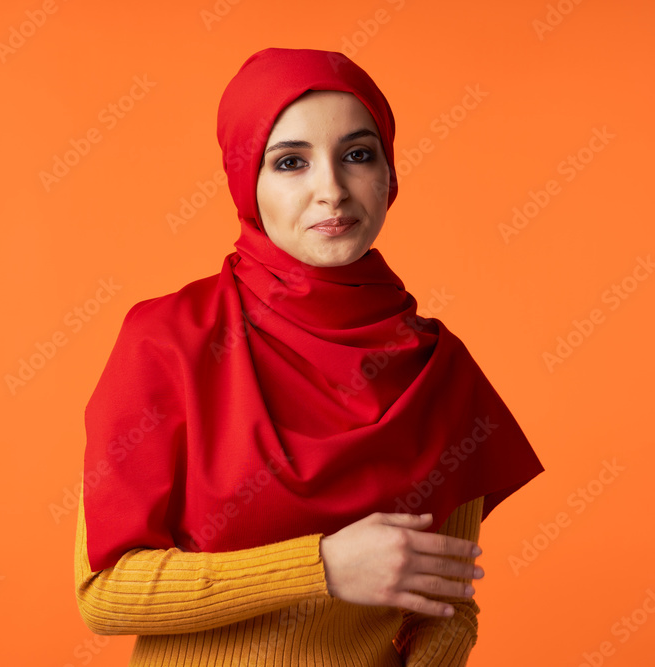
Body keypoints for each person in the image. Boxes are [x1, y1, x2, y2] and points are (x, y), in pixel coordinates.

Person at [73, 47, 544, 666]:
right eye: (290, 162)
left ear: (389, 174)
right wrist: (321, 567)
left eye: (357, 155)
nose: (332, 190)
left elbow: (447, 610)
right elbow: (106, 592)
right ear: (249, 183)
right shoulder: (167, 338)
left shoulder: (436, 368)